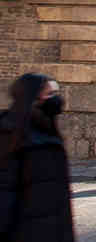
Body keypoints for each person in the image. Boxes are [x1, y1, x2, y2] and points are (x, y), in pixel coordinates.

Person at [0, 73, 75, 241]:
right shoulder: (9, 135)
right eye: (50, 94)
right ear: (32, 98)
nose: (56, 100)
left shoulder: (47, 131)